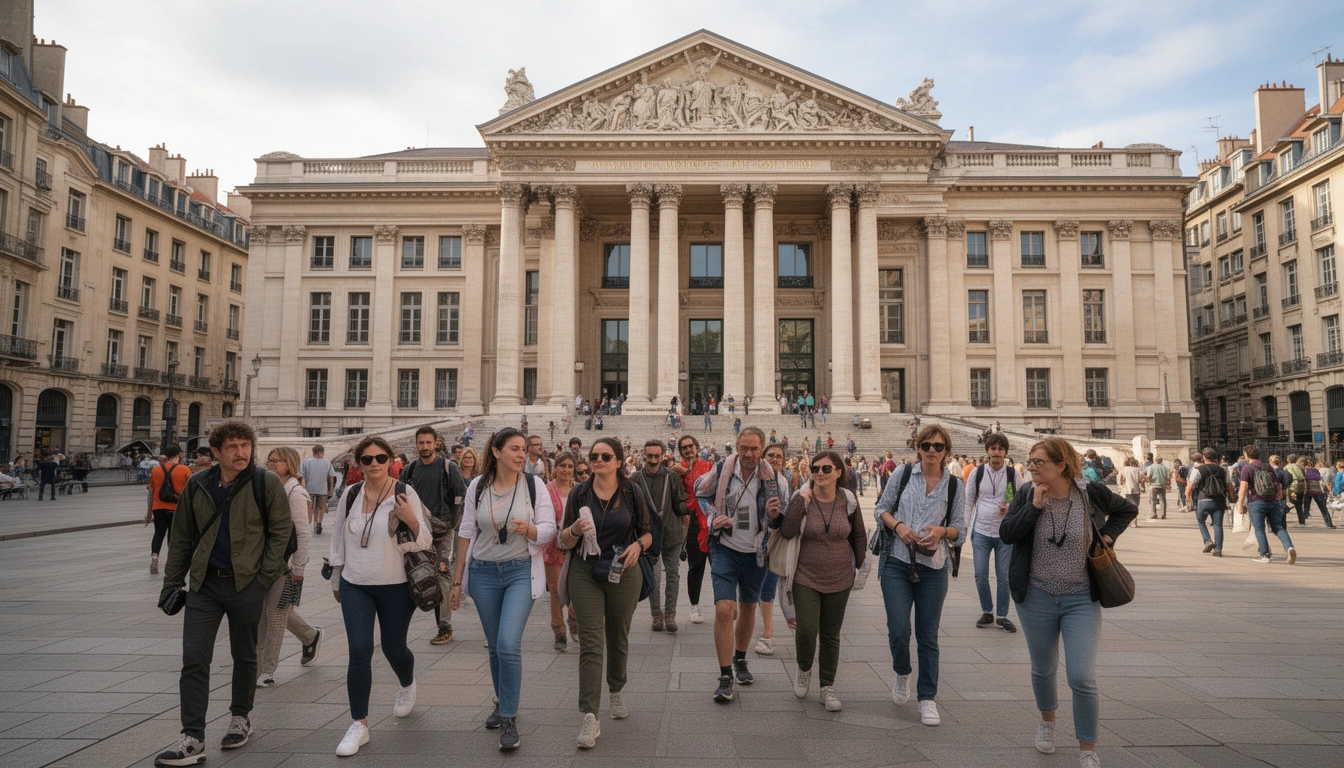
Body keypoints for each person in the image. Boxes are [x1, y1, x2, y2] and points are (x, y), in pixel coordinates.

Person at [155, 420, 291, 767]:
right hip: (205, 584)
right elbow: (182, 536)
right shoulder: (198, 484)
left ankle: (240, 717)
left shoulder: (266, 482)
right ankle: (192, 737)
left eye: (245, 445)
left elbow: (280, 533)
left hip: (246, 582)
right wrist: (172, 583)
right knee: (194, 658)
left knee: (245, 654)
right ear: (215, 452)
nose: (241, 452)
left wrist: (264, 577)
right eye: (232, 446)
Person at [999, 438, 1137, 767]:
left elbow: (1126, 510)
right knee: (1043, 669)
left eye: (1038, 462)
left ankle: (1087, 749)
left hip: (1080, 598)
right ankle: (1047, 724)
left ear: (1061, 465)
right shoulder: (1025, 493)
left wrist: (1108, 535)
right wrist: (1032, 507)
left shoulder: (1088, 492)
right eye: (1030, 461)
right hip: (1036, 596)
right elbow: (1007, 533)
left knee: (1081, 677)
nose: (1030, 467)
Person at [448, 428, 555, 751]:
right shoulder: (477, 487)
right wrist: (456, 581)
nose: (523, 455)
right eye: (515, 449)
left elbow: (550, 529)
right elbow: (466, 532)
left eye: (524, 449)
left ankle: (508, 715)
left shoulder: (534, 486)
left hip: (520, 570)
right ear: (496, 452)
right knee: (495, 646)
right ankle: (501, 701)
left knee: (508, 643)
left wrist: (531, 529)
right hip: (482, 573)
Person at [328, 436, 432, 756]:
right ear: (359, 463)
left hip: (396, 585)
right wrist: (336, 578)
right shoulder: (351, 493)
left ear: (391, 461)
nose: (374, 464)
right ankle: (359, 724)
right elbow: (338, 540)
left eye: (381, 458)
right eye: (367, 459)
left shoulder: (404, 492)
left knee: (393, 646)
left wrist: (410, 519)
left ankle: (407, 682)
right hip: (355, 583)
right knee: (359, 649)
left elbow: (425, 539)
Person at [555, 436, 651, 749]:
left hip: (623, 569)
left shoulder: (633, 492)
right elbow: (564, 540)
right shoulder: (579, 492)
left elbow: (648, 534)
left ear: (619, 462)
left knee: (618, 636)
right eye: (594, 456)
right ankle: (589, 715)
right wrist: (574, 531)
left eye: (606, 456)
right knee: (592, 643)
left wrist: (638, 546)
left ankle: (616, 687)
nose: (598, 461)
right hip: (585, 570)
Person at [874, 424, 965, 727]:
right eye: (926, 445)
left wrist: (942, 531)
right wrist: (898, 526)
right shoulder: (901, 474)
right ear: (918, 448)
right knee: (899, 629)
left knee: (927, 635)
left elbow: (959, 530)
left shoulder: (955, 486)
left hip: (934, 566)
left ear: (946, 451)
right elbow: (881, 510)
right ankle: (902, 672)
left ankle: (927, 698)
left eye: (938, 447)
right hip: (897, 563)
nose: (931, 451)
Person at [694, 427, 783, 703]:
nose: (747, 453)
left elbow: (784, 517)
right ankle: (724, 675)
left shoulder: (776, 479)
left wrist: (775, 516)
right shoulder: (722, 469)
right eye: (743, 448)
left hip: (756, 551)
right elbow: (700, 492)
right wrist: (712, 516)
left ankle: (740, 659)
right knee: (724, 608)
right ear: (736, 445)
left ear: (762, 449)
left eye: (754, 449)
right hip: (725, 548)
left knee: (748, 607)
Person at [776, 450, 865, 711]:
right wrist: (798, 504)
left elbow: (858, 535)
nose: (819, 473)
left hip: (840, 576)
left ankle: (827, 687)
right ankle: (804, 668)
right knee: (806, 630)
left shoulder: (848, 499)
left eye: (826, 469)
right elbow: (788, 531)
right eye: (815, 469)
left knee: (830, 634)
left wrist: (858, 566)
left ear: (839, 472)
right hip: (805, 574)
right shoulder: (801, 496)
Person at [256, 447, 321, 686]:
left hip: (284, 566)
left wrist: (298, 569)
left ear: (289, 464)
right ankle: (310, 636)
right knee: (271, 612)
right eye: (269, 460)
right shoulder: (268, 487)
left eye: (276, 461)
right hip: (263, 563)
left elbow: (303, 534)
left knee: (274, 617)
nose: (270, 464)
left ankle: (267, 671)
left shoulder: (295, 492)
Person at [403, 426, 467, 645]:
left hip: (443, 529)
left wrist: (453, 523)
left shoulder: (448, 467)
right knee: (413, 573)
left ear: (436, 443)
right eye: (421, 443)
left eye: (428, 443)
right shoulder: (410, 470)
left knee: (441, 574)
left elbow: (460, 495)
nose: (425, 447)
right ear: (416, 445)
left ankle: (444, 626)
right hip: (416, 529)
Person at [634, 439, 689, 632]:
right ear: (644, 456)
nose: (653, 459)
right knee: (654, 578)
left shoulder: (671, 476)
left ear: (663, 456)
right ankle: (656, 615)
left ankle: (670, 614)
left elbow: (679, 502)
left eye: (657, 456)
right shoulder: (636, 478)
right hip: (649, 537)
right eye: (650, 456)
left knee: (673, 575)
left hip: (672, 534)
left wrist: (690, 508)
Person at [967, 433, 1018, 631]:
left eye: (1000, 449)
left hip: (1004, 533)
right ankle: (987, 611)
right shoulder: (977, 472)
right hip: (980, 531)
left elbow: (1015, 499)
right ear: (987, 451)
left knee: (1003, 576)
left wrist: (1010, 507)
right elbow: (969, 500)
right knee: (980, 573)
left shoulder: (1013, 474)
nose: (996, 452)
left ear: (1005, 452)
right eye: (993, 448)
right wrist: (962, 527)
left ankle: (1002, 615)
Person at [755, 443, 796, 646]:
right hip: (760, 538)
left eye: (779, 456)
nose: (775, 459)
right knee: (762, 584)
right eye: (770, 455)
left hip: (782, 538)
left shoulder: (791, 478)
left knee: (778, 586)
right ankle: (765, 631)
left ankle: (773, 632)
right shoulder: (756, 477)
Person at [544, 452, 580, 650]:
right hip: (553, 546)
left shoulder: (578, 490)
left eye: (570, 466)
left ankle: (573, 621)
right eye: (562, 466)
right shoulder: (546, 491)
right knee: (557, 591)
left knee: (577, 589)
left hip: (574, 546)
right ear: (555, 468)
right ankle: (559, 632)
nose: (566, 470)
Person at [1237, 445, 1296, 564]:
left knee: (1259, 529)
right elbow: (1278, 484)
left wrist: (1239, 504)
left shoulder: (1247, 468)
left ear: (1247, 455)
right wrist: (1278, 497)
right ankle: (1289, 547)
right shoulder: (1267, 466)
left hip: (1256, 501)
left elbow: (1243, 488)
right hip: (1273, 501)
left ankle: (1265, 554)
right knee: (1277, 527)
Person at [147, 444, 194, 575]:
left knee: (158, 533)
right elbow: (189, 493)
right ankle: (171, 562)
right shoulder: (185, 470)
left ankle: (155, 557)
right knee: (173, 536)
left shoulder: (155, 470)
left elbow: (151, 493)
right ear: (180, 454)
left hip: (158, 507)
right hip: (177, 508)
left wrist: (149, 512)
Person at [1186, 448, 1233, 556]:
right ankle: (1218, 550)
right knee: (1218, 525)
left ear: (1204, 457)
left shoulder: (1198, 469)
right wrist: (1231, 498)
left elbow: (1190, 485)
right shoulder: (1222, 470)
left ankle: (1208, 541)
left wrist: (1188, 498)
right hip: (1219, 500)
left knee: (1201, 520)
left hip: (1204, 499)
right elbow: (1229, 485)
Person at [299, 445, 336, 535]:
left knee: (309, 507)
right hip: (322, 489)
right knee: (320, 507)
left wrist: (302, 488)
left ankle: (308, 525)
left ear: (313, 452)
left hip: (309, 489)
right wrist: (330, 490)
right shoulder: (327, 462)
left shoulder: (306, 462)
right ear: (322, 452)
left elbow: (302, 476)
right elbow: (331, 477)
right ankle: (318, 523)